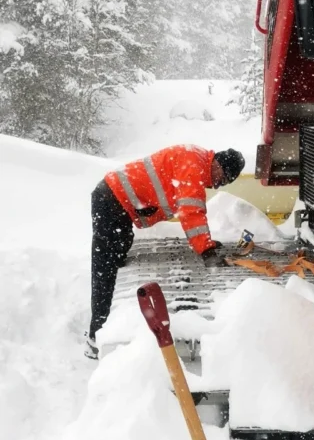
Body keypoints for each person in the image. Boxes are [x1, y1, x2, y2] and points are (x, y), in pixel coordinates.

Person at [86, 146, 245, 359]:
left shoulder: (195, 161)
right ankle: (96, 336)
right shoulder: (194, 166)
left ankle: (101, 328)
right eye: (223, 178)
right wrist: (206, 251)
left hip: (116, 202)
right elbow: (191, 212)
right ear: (218, 163)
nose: (219, 184)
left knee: (116, 256)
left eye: (225, 183)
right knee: (104, 270)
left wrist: (207, 244)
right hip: (111, 200)